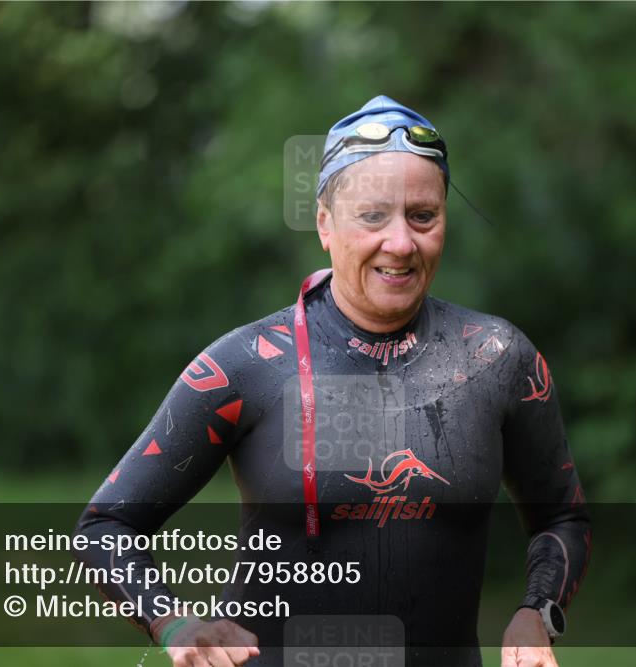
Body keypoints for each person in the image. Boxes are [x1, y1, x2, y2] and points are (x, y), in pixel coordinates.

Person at [73, 95, 590, 667]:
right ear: (325, 223)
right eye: (372, 216)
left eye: (423, 216)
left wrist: (536, 613)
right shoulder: (248, 365)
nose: (401, 243)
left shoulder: (495, 358)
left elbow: (561, 518)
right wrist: (173, 623)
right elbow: (105, 526)